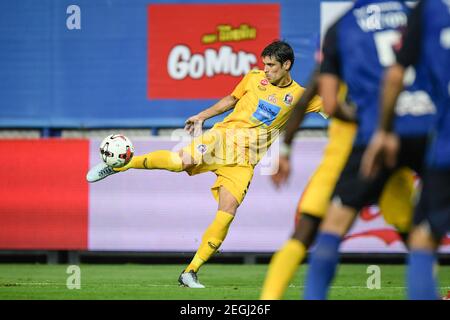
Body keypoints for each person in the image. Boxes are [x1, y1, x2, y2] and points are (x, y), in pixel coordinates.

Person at [86, 40, 323, 288]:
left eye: (271, 65)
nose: (265, 69)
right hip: (221, 138)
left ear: (287, 65)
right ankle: (120, 165)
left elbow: (333, 105)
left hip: (244, 162)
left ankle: (190, 272)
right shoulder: (254, 78)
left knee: (227, 213)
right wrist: (201, 116)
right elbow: (231, 99)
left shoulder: (300, 95)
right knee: (179, 162)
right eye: (264, 64)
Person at [303, 0, 436, 299]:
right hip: (427, 130)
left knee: (333, 226)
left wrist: (367, 119)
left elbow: (330, 104)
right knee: (423, 236)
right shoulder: (415, 15)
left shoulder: (341, 27)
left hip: (375, 134)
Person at [361, 0, 450, 299]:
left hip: (445, 142)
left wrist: (384, 130)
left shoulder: (429, 11)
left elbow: (397, 74)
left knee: (423, 236)